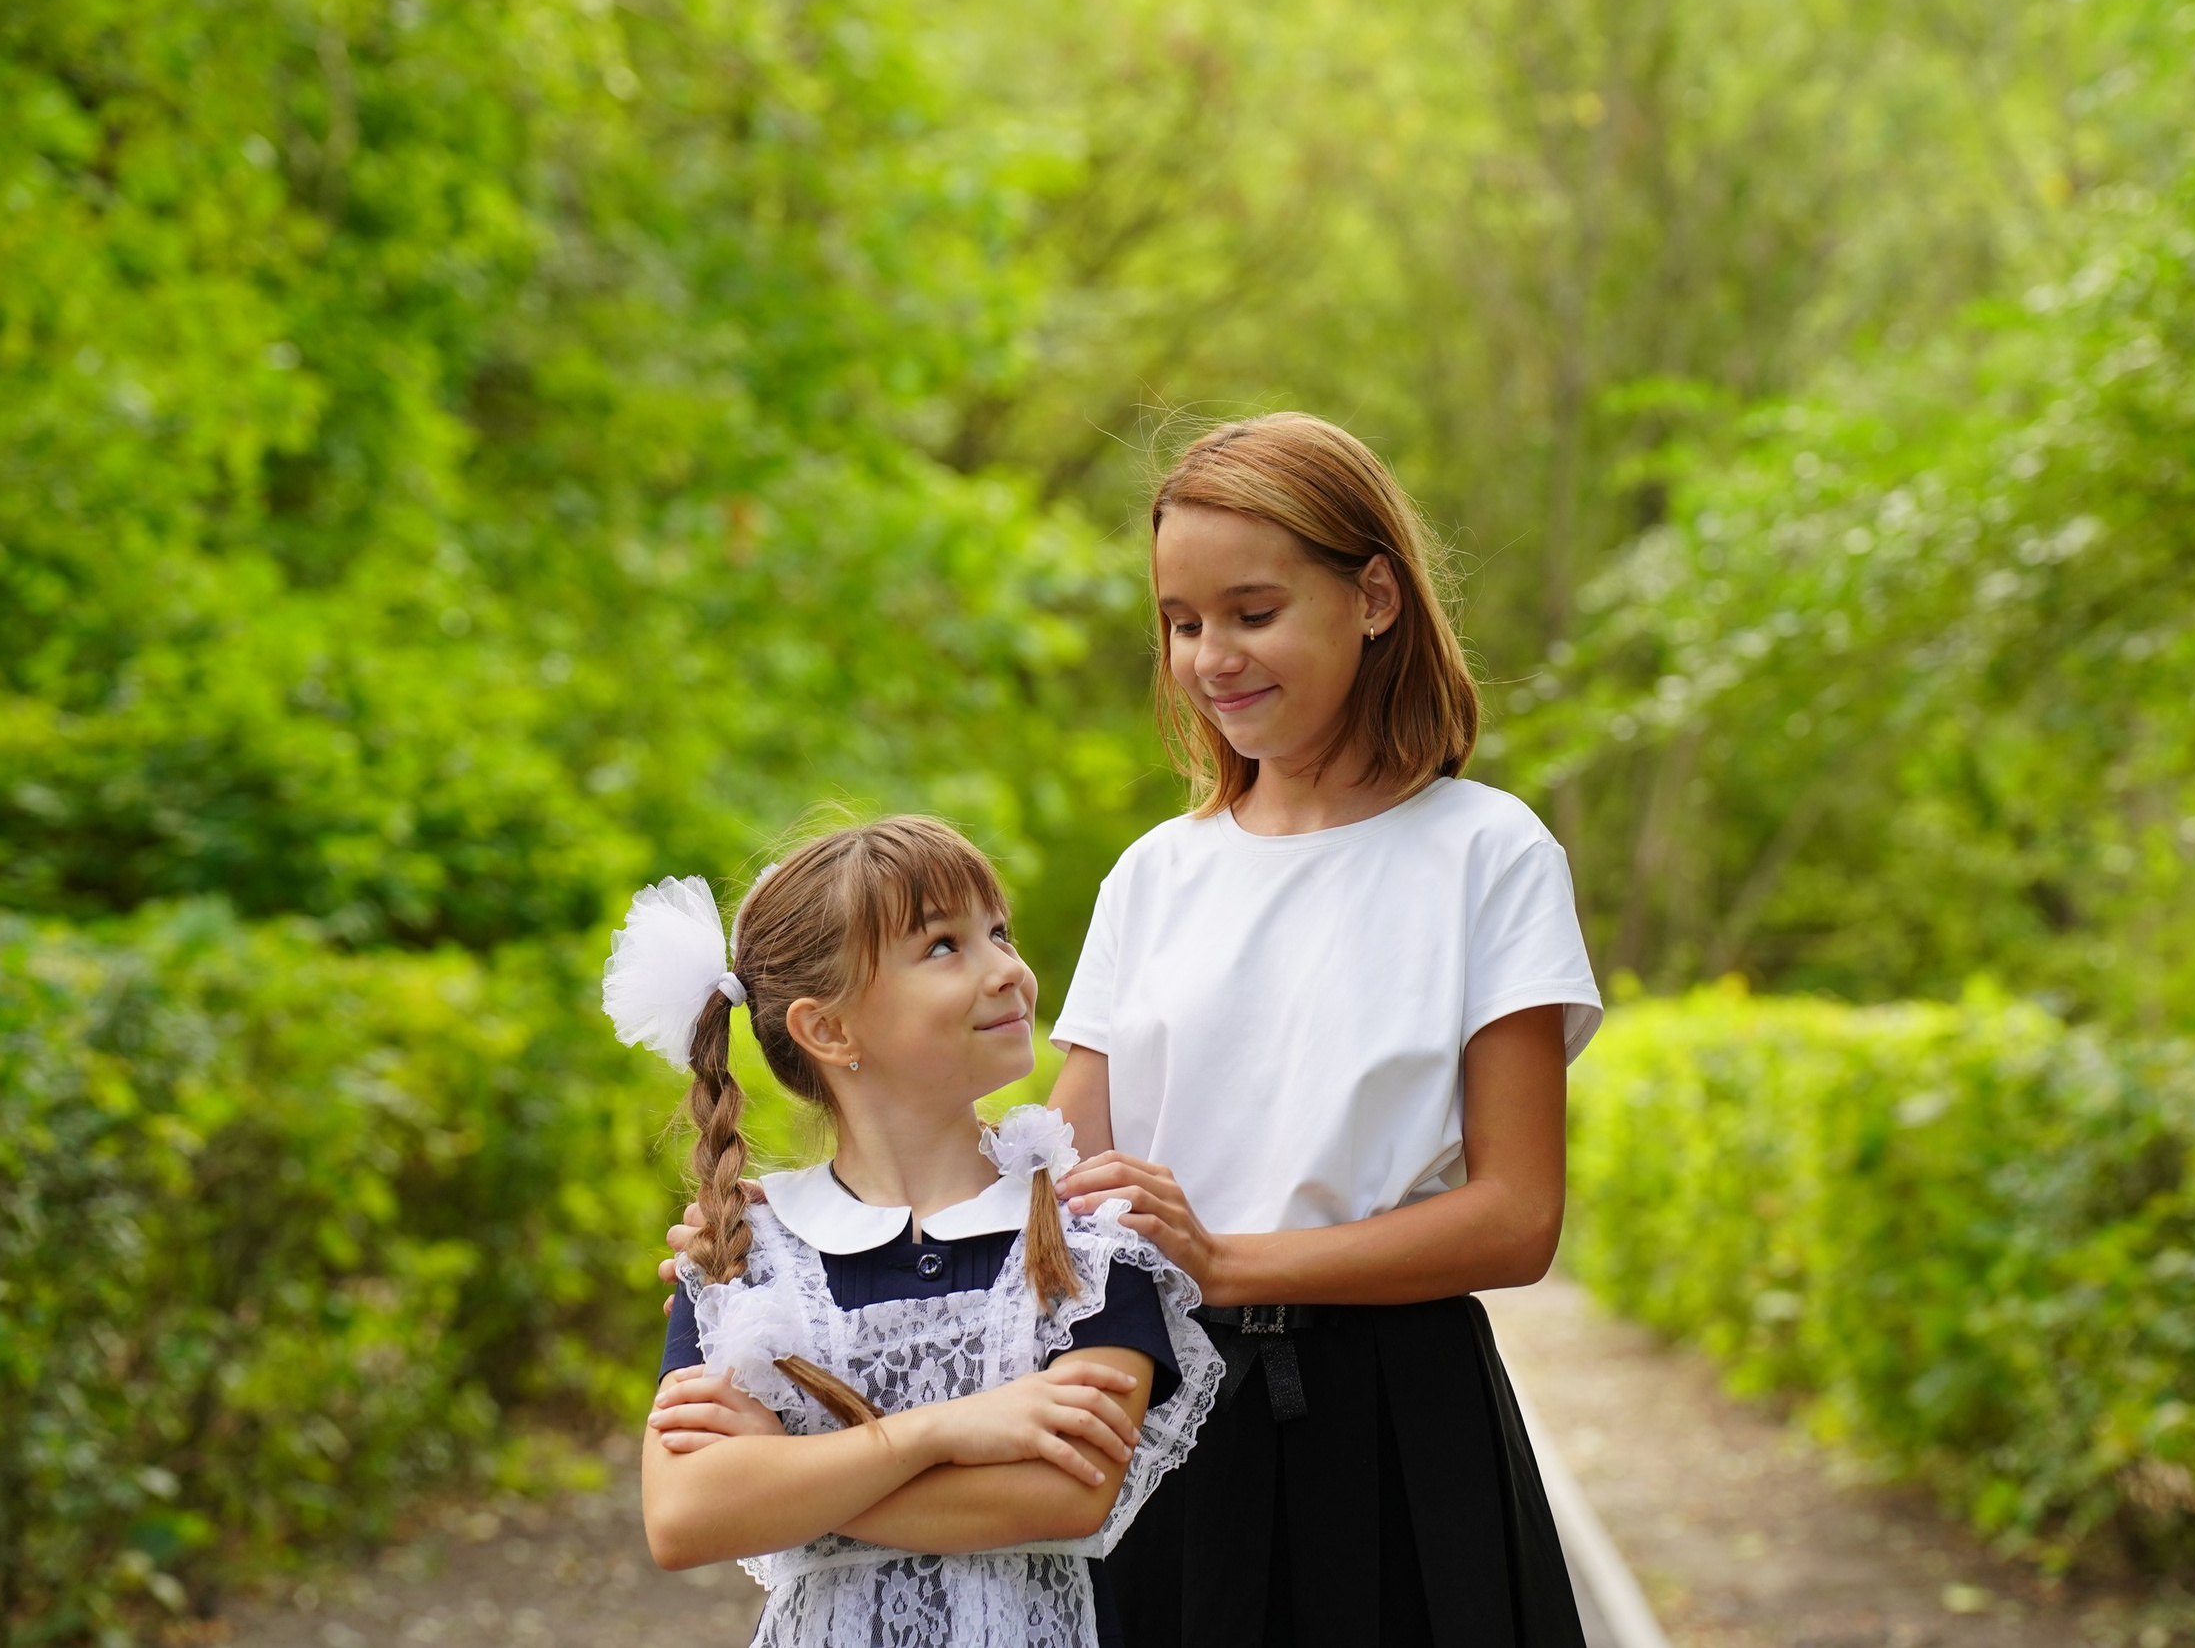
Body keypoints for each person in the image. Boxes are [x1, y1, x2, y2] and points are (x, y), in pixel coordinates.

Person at [1047, 414, 1602, 1647]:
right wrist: (796, 1244)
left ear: (1375, 597)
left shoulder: (1486, 853)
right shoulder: (1150, 874)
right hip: (1156, 1418)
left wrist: (1227, 1262)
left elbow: (1516, 1219)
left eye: (1250, 613)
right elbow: (1053, 1179)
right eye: (1181, 623)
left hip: (1401, 1432)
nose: (1208, 658)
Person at [618, 817, 1222, 1648]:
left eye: (999, 931)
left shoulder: (1090, 1227)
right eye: (945, 946)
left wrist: (792, 1481)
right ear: (828, 1029)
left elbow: (1067, 1489)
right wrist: (947, 1429)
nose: (1008, 969)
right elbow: (686, 1516)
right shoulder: (746, 1253)